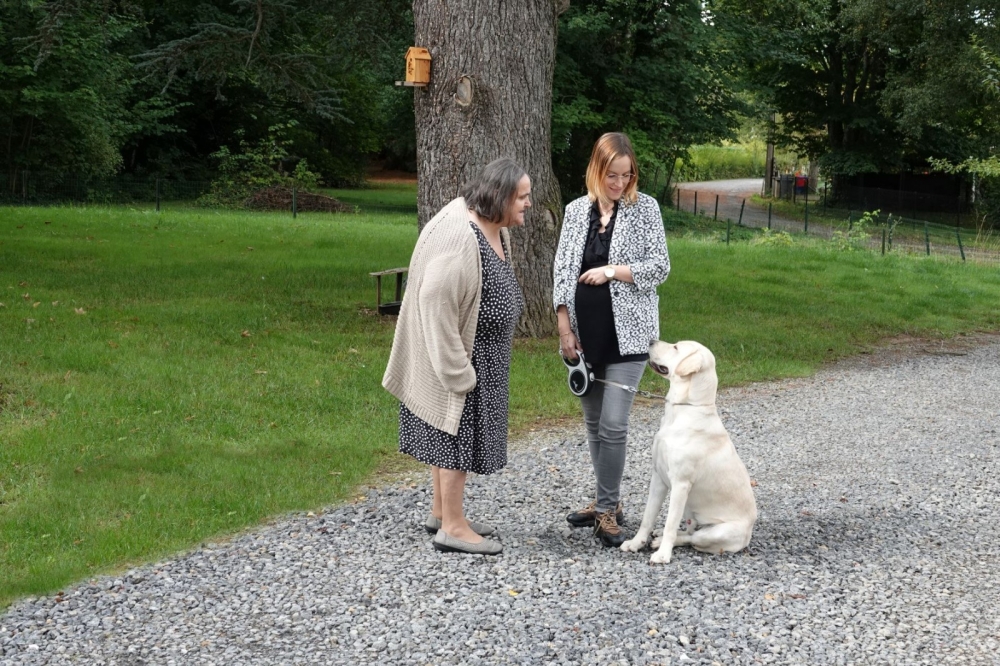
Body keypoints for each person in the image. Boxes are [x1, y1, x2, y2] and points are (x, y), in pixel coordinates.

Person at [382, 158, 530, 555]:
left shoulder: (491, 226)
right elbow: (434, 301)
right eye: (523, 196)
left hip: (483, 356)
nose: (528, 203)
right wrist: (457, 372)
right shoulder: (460, 238)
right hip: (464, 359)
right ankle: (453, 527)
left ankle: (441, 512)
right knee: (455, 440)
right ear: (500, 197)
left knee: (451, 439)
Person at [552, 132, 670, 547]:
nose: (619, 184)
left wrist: (612, 271)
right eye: (612, 175)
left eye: (627, 175)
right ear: (596, 171)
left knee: (615, 424)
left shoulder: (646, 209)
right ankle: (609, 501)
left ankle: (605, 509)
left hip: (630, 335)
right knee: (593, 423)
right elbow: (562, 272)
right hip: (585, 337)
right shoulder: (574, 211)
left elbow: (660, 267)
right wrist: (565, 328)